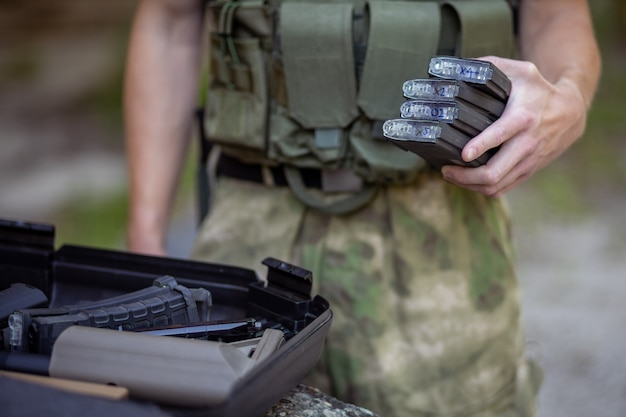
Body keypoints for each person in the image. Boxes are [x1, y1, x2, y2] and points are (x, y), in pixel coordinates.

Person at [123, 1, 601, 416]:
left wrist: (570, 98)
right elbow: (170, 22)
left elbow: (557, 12)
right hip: (249, 229)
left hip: (441, 236)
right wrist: (146, 240)